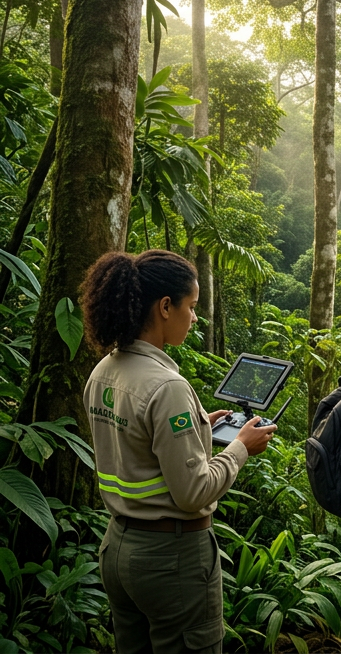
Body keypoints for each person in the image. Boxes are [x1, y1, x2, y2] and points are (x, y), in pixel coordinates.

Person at [83, 250, 275, 653]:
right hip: (170, 559)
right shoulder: (166, 387)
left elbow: (135, 446)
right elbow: (193, 492)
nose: (194, 317)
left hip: (119, 549)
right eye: (190, 306)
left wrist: (199, 424)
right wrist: (240, 448)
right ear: (165, 306)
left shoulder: (105, 370)